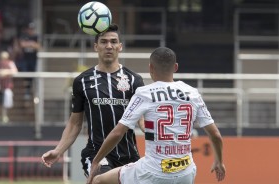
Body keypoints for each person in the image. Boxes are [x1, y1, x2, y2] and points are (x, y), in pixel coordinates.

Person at [87, 47, 226, 184]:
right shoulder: (193, 93)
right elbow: (215, 135)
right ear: (175, 67)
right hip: (186, 172)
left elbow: (118, 133)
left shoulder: (144, 93)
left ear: (151, 68)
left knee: (99, 180)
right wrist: (219, 161)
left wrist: (96, 160)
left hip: (151, 172)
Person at [41, 24, 145, 177]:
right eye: (104, 42)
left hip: (128, 154)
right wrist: (58, 151)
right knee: (102, 180)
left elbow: (142, 120)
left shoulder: (134, 80)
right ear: (96, 46)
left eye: (113, 41)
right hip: (97, 155)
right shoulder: (82, 81)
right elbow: (75, 123)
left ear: (120, 46)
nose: (109, 46)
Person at [18, 22, 40, 100]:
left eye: (32, 29)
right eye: (29, 29)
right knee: (25, 73)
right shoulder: (24, 36)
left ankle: (28, 91)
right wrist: (31, 44)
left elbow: (38, 46)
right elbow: (22, 44)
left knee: (31, 75)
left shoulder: (36, 36)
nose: (31, 30)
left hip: (33, 59)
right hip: (25, 59)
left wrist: (31, 44)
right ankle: (25, 90)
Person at [0, 51, 18, 123]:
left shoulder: (10, 63)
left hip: (7, 86)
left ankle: (4, 116)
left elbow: (15, 71)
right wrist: (0, 73)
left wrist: (6, 72)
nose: (3, 59)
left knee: (6, 102)